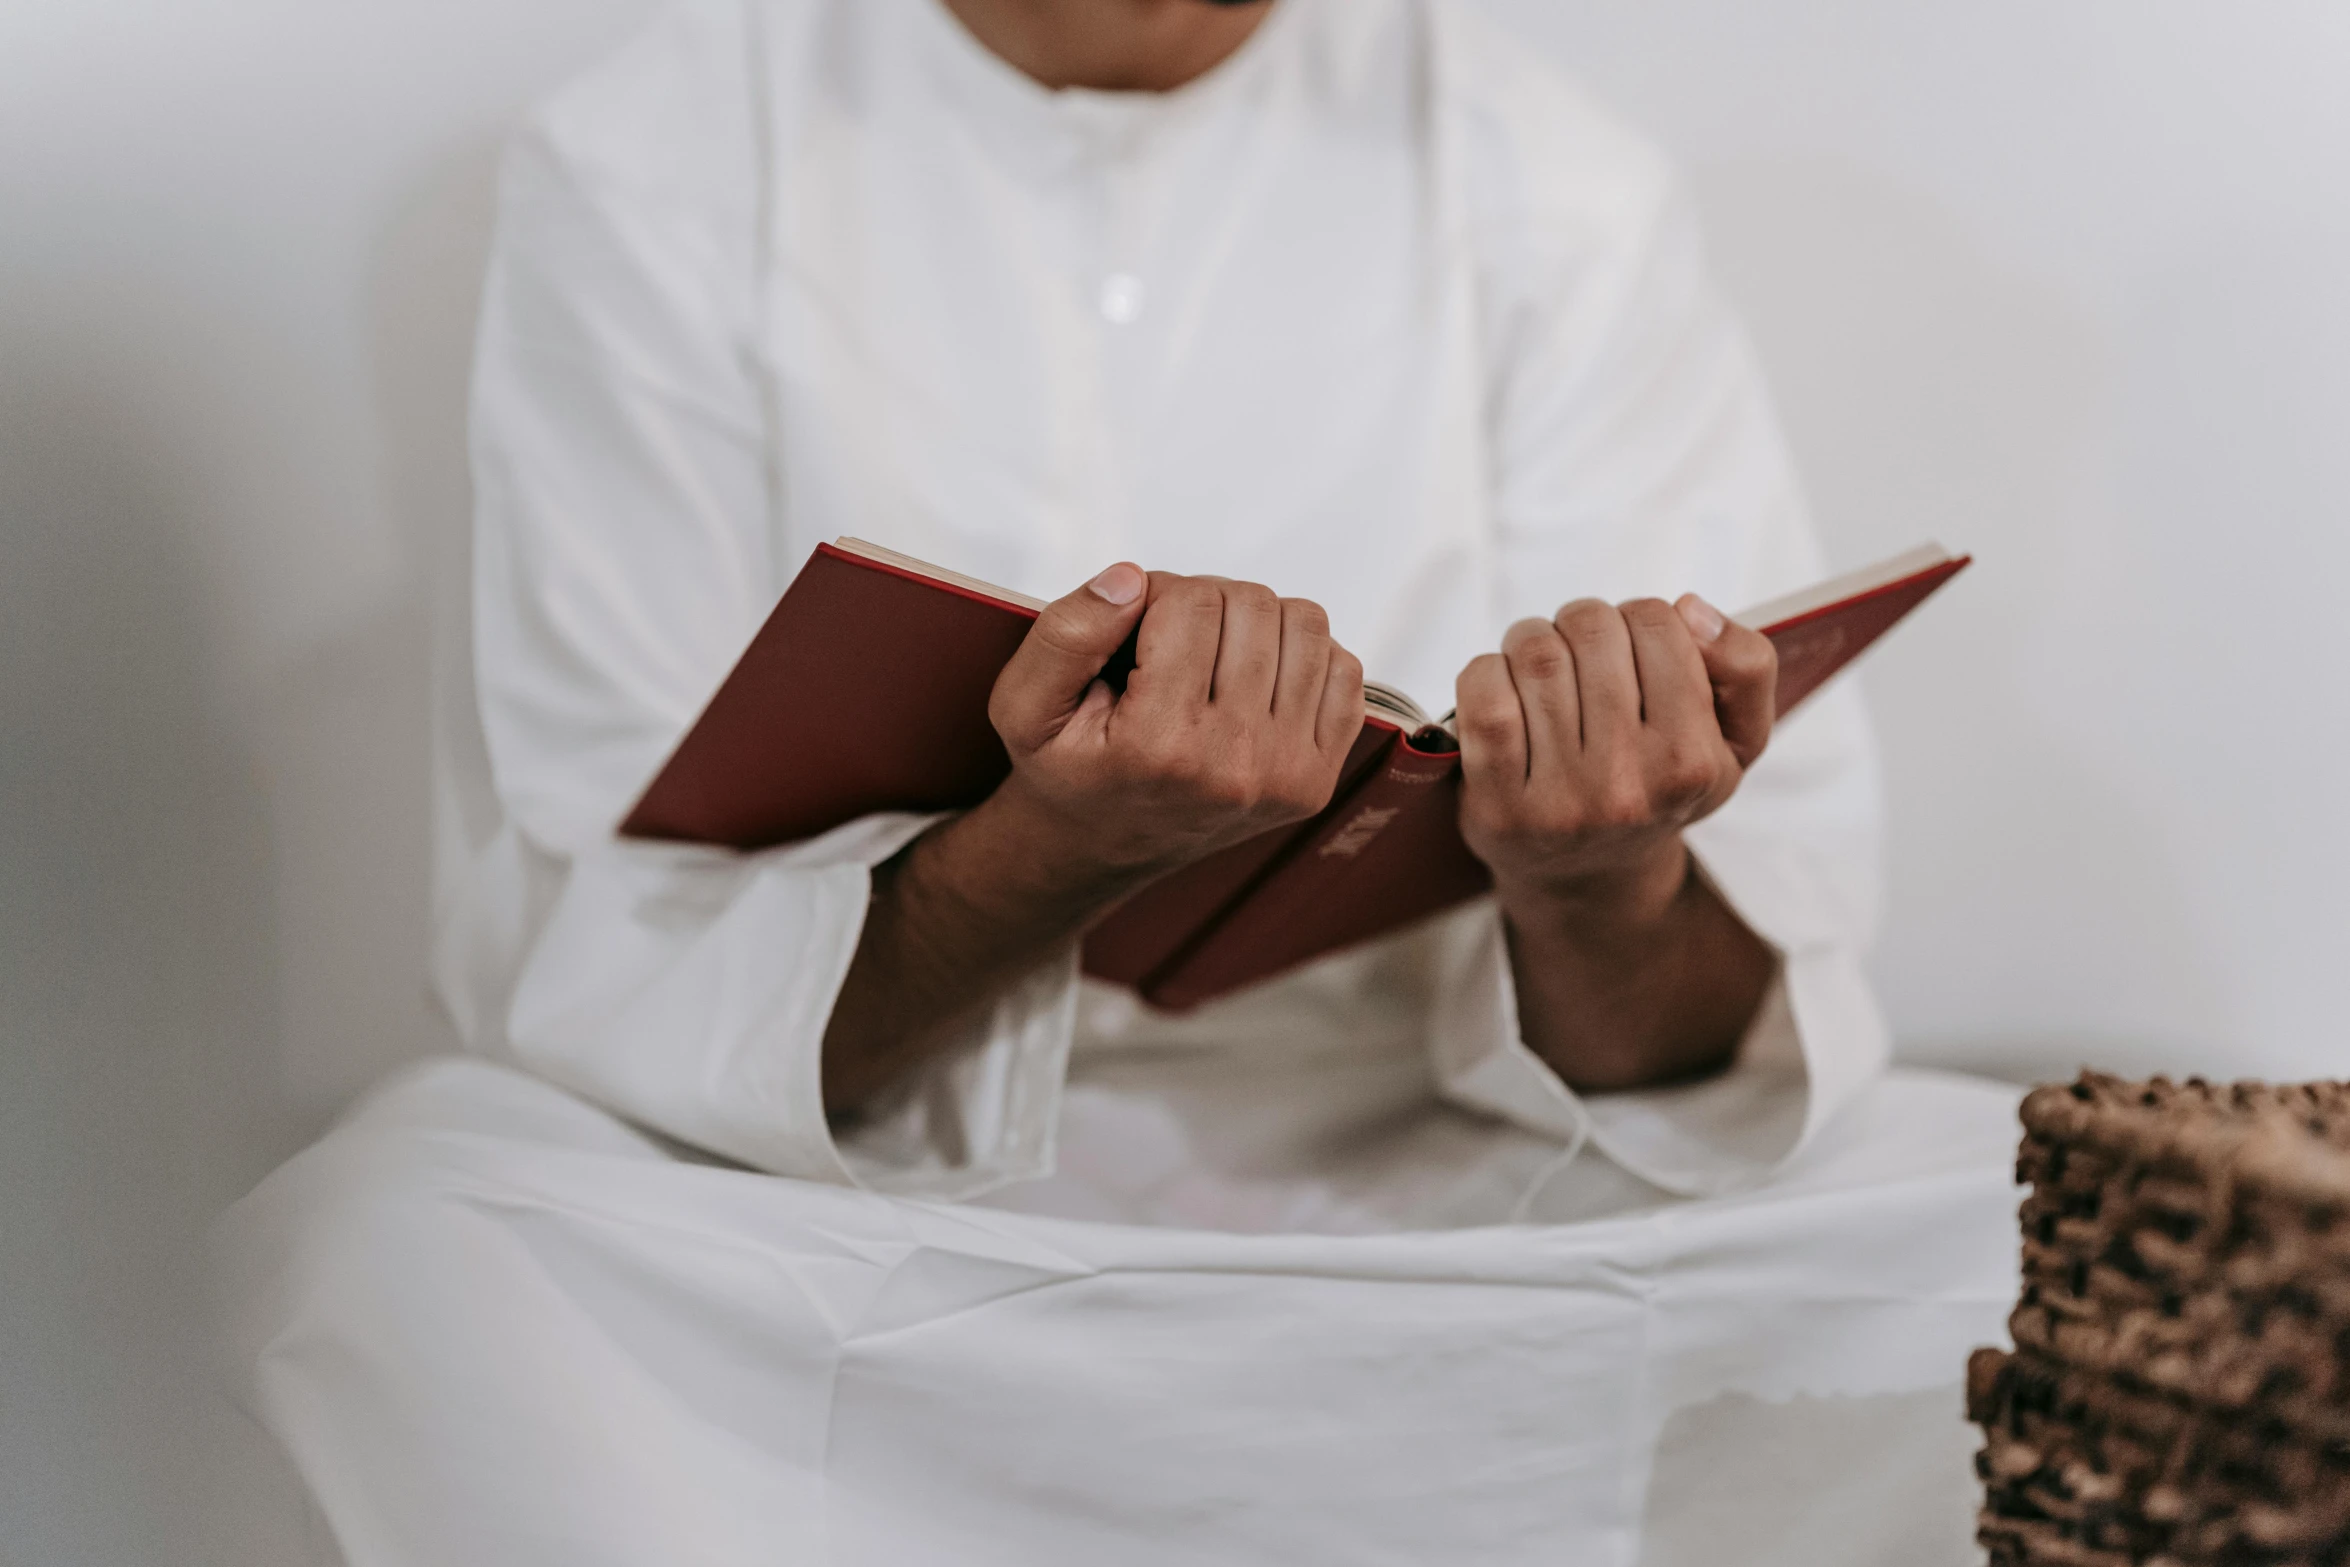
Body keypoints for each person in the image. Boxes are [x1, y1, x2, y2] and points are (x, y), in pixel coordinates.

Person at [220, 0, 2023, 1559]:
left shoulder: (1550, 177)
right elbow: (620, 939)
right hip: (825, 1213)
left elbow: (1721, 1025)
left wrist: (1594, 878)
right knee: (403, 1243)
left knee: (1997, 1224)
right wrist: (1049, 854)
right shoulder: (656, 158)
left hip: (1441, 1181)